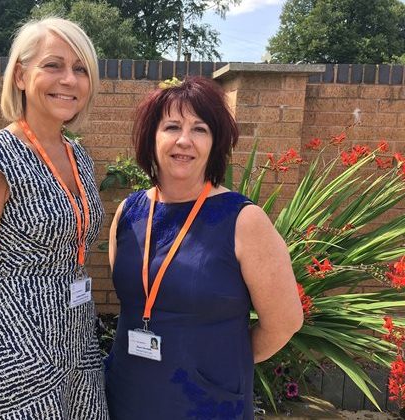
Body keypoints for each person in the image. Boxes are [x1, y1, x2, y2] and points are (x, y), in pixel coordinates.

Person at [105, 77, 303, 419]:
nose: (184, 140)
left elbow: (284, 322)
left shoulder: (244, 220)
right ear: (152, 138)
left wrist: (220, 360)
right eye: (171, 126)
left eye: (200, 129)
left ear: (215, 143)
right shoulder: (129, 212)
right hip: (128, 394)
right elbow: (133, 298)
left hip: (207, 404)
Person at [0, 17, 109, 419]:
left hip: (79, 341)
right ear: (20, 75)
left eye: (80, 69)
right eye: (53, 65)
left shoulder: (78, 156)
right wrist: (4, 347)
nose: (68, 79)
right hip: (19, 351)